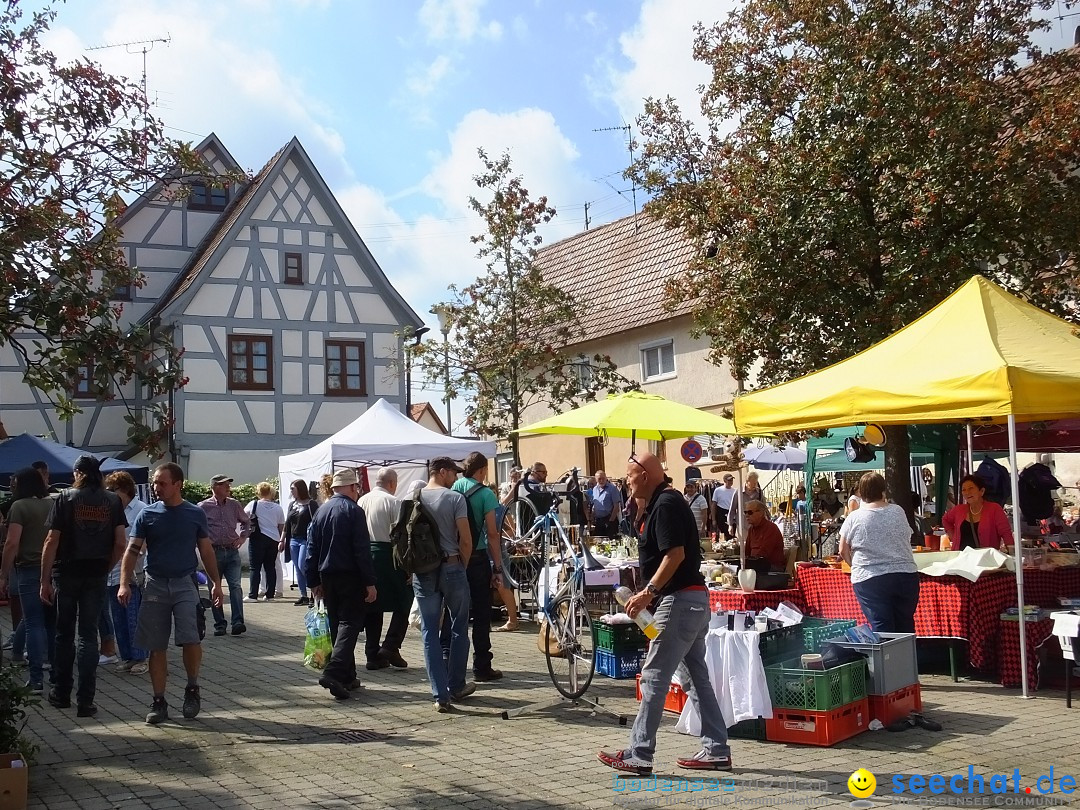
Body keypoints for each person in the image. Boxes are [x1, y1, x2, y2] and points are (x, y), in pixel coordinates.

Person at [598, 452, 731, 774]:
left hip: (680, 601)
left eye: (629, 475)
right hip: (693, 601)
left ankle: (639, 753)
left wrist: (648, 593)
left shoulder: (667, 503)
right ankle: (716, 749)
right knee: (695, 677)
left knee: (655, 675)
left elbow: (675, 555)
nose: (626, 481)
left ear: (644, 475)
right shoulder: (660, 503)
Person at [120, 462, 224, 724]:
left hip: (185, 583)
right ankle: (159, 701)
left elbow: (206, 550)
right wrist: (124, 583)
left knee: (191, 639)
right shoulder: (148, 514)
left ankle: (192, 688)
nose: (156, 487)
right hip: (155, 584)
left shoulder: (193, 514)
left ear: (178, 485)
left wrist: (216, 582)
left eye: (162, 483)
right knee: (156, 645)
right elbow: (132, 550)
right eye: (155, 482)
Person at [39, 455, 127, 717]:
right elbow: (121, 543)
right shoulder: (112, 500)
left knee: (64, 633)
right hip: (96, 572)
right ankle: (86, 701)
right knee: (88, 635)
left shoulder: (64, 498)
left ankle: (61, 692)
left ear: (77, 472)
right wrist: (107, 567)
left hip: (66, 571)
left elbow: (51, 540)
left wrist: (44, 579)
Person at [305, 468, 377, 700]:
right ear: (351, 487)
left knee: (337, 624)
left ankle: (347, 675)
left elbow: (311, 548)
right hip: (350, 574)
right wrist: (370, 581)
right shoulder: (353, 511)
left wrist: (313, 580)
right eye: (356, 487)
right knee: (350, 623)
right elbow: (361, 549)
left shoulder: (321, 511)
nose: (358, 491)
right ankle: (335, 671)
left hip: (327, 575)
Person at [414, 457, 473, 712]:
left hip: (423, 569)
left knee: (429, 631)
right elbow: (467, 540)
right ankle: (456, 685)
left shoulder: (413, 497)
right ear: (442, 472)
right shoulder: (454, 499)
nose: (456, 478)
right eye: (454, 473)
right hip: (451, 566)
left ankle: (439, 695)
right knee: (459, 626)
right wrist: (463, 565)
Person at [447, 452, 504, 682]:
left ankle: (452, 666)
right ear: (482, 470)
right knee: (481, 613)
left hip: (454, 556)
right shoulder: (485, 494)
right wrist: (498, 567)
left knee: (455, 613)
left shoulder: (452, 489)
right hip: (478, 558)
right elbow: (492, 534)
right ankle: (482, 666)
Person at [838, 472, 919, 633]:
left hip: (870, 577)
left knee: (882, 628)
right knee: (905, 626)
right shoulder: (898, 511)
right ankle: (907, 658)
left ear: (861, 492)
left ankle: (887, 658)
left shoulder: (854, 517)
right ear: (883, 491)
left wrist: (854, 566)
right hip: (905, 575)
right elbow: (907, 536)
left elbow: (842, 550)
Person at [0, 467, 57, 693]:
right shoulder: (53, 504)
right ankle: (55, 674)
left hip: (28, 568)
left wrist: (3, 574)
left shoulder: (19, 506)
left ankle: (35, 680)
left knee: (33, 622)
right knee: (52, 624)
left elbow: (12, 542)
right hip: (53, 569)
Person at [358, 467, 410, 670]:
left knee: (373, 603)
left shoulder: (362, 500)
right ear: (391, 483)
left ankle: (372, 653)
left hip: (366, 554)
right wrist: (407, 567)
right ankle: (390, 645)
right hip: (388, 554)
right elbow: (401, 536)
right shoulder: (393, 502)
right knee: (405, 599)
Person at [103, 472, 149, 675]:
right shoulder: (111, 510)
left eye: (113, 490)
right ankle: (128, 657)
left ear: (125, 490)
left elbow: (146, 541)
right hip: (111, 571)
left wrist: (137, 553)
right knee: (118, 618)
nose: (111, 495)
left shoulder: (141, 510)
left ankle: (141, 657)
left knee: (133, 617)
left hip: (132, 572)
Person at [198, 474, 250, 636]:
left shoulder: (234, 505)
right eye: (224, 485)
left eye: (229, 485)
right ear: (214, 487)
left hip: (232, 551)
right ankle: (220, 624)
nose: (228, 488)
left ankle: (238, 622)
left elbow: (247, 521)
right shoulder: (202, 507)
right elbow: (195, 527)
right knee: (215, 588)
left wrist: (242, 537)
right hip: (212, 553)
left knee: (235, 587)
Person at [942, 474, 1013, 551]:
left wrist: (1012, 553)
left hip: (985, 560)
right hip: (961, 559)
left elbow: (1006, 533)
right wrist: (953, 536)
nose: (967, 492)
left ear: (981, 491)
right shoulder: (959, 510)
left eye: (971, 488)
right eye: (964, 490)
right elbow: (945, 519)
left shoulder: (994, 509)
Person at [244, 482, 284, 603]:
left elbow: (243, 516)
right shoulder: (278, 507)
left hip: (257, 538)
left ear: (259, 492)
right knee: (270, 567)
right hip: (274, 539)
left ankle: (253, 595)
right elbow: (281, 525)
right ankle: (270, 594)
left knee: (255, 568)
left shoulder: (253, 504)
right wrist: (282, 539)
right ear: (271, 492)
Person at [281, 480, 317, 607]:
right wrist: (282, 540)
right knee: (297, 568)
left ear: (300, 489)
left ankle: (315, 592)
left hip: (305, 539)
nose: (291, 491)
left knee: (303, 566)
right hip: (293, 540)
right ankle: (304, 596)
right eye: (291, 488)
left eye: (293, 488)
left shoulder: (311, 504)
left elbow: (316, 522)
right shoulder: (292, 504)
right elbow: (287, 524)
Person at [742, 500, 786, 570]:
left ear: (761, 513)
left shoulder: (771, 528)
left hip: (772, 568)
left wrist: (749, 563)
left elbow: (763, 554)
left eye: (750, 512)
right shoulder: (751, 529)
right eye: (745, 512)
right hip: (757, 565)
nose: (747, 515)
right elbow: (747, 552)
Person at [727, 472, 764, 537]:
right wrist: (730, 525)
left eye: (756, 483)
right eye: (753, 483)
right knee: (743, 546)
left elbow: (763, 509)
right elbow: (732, 509)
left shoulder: (759, 493)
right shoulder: (738, 492)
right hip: (742, 526)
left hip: (756, 526)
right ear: (747, 481)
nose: (755, 485)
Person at [590, 470, 623, 538]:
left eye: (603, 478)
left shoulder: (612, 488)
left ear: (606, 478)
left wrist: (611, 520)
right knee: (599, 542)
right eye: (599, 479)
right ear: (596, 479)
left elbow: (616, 506)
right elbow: (594, 504)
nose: (601, 480)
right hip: (598, 521)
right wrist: (591, 518)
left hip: (609, 519)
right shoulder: (594, 489)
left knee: (611, 542)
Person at [711, 473, 736, 541]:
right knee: (722, 532)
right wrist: (713, 519)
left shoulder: (734, 491)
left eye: (731, 480)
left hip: (731, 512)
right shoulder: (718, 490)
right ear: (724, 480)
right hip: (721, 512)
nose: (731, 482)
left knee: (731, 532)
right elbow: (714, 504)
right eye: (729, 480)